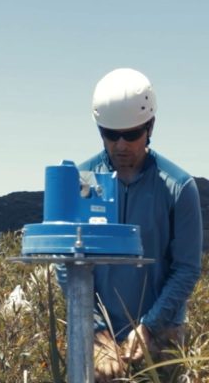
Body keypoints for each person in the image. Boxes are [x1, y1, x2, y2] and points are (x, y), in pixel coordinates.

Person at [63, 68, 202, 382]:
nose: (121, 145)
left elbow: (186, 268)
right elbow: (66, 261)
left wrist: (149, 327)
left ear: (150, 126)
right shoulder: (81, 181)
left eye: (131, 134)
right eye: (110, 134)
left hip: (161, 333)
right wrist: (97, 330)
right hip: (98, 336)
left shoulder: (178, 187)